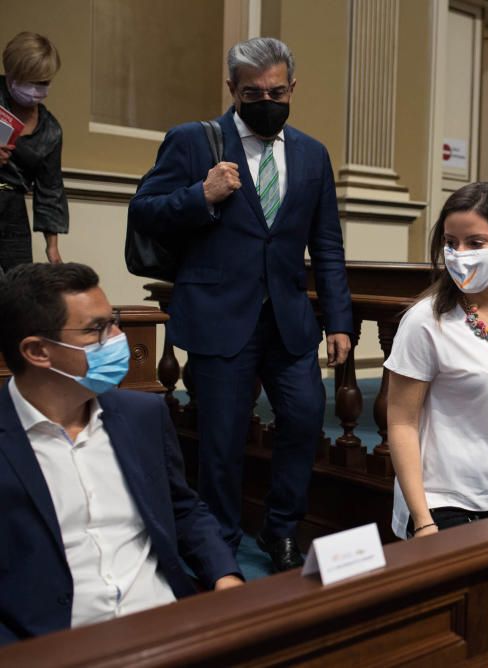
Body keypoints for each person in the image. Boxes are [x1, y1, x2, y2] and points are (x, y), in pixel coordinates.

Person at [128, 37, 353, 572]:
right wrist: (199, 196)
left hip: (290, 321)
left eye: (277, 91)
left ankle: (281, 530)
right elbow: (144, 211)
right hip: (218, 317)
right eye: (253, 92)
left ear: (292, 88)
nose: (266, 100)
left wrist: (339, 321)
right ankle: (219, 539)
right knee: (221, 440)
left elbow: (326, 244)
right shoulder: (192, 141)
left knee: (302, 419)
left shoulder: (312, 153)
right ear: (232, 89)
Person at [0, 263, 242, 645]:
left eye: (113, 321)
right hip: (58, 644)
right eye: (97, 329)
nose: (118, 338)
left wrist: (224, 575)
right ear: (37, 351)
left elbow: (182, 508)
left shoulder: (141, 414)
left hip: (167, 625)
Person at [385, 182, 488, 539]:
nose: (459, 254)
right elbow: (401, 422)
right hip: (442, 499)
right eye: (450, 243)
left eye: (475, 243)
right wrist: (423, 520)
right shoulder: (424, 321)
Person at [0, 32, 68, 272]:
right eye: (30, 80)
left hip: (12, 211)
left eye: (44, 82)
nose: (37, 89)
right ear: (12, 74)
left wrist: (52, 247)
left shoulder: (50, 130)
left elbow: (50, 189)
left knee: (17, 289)